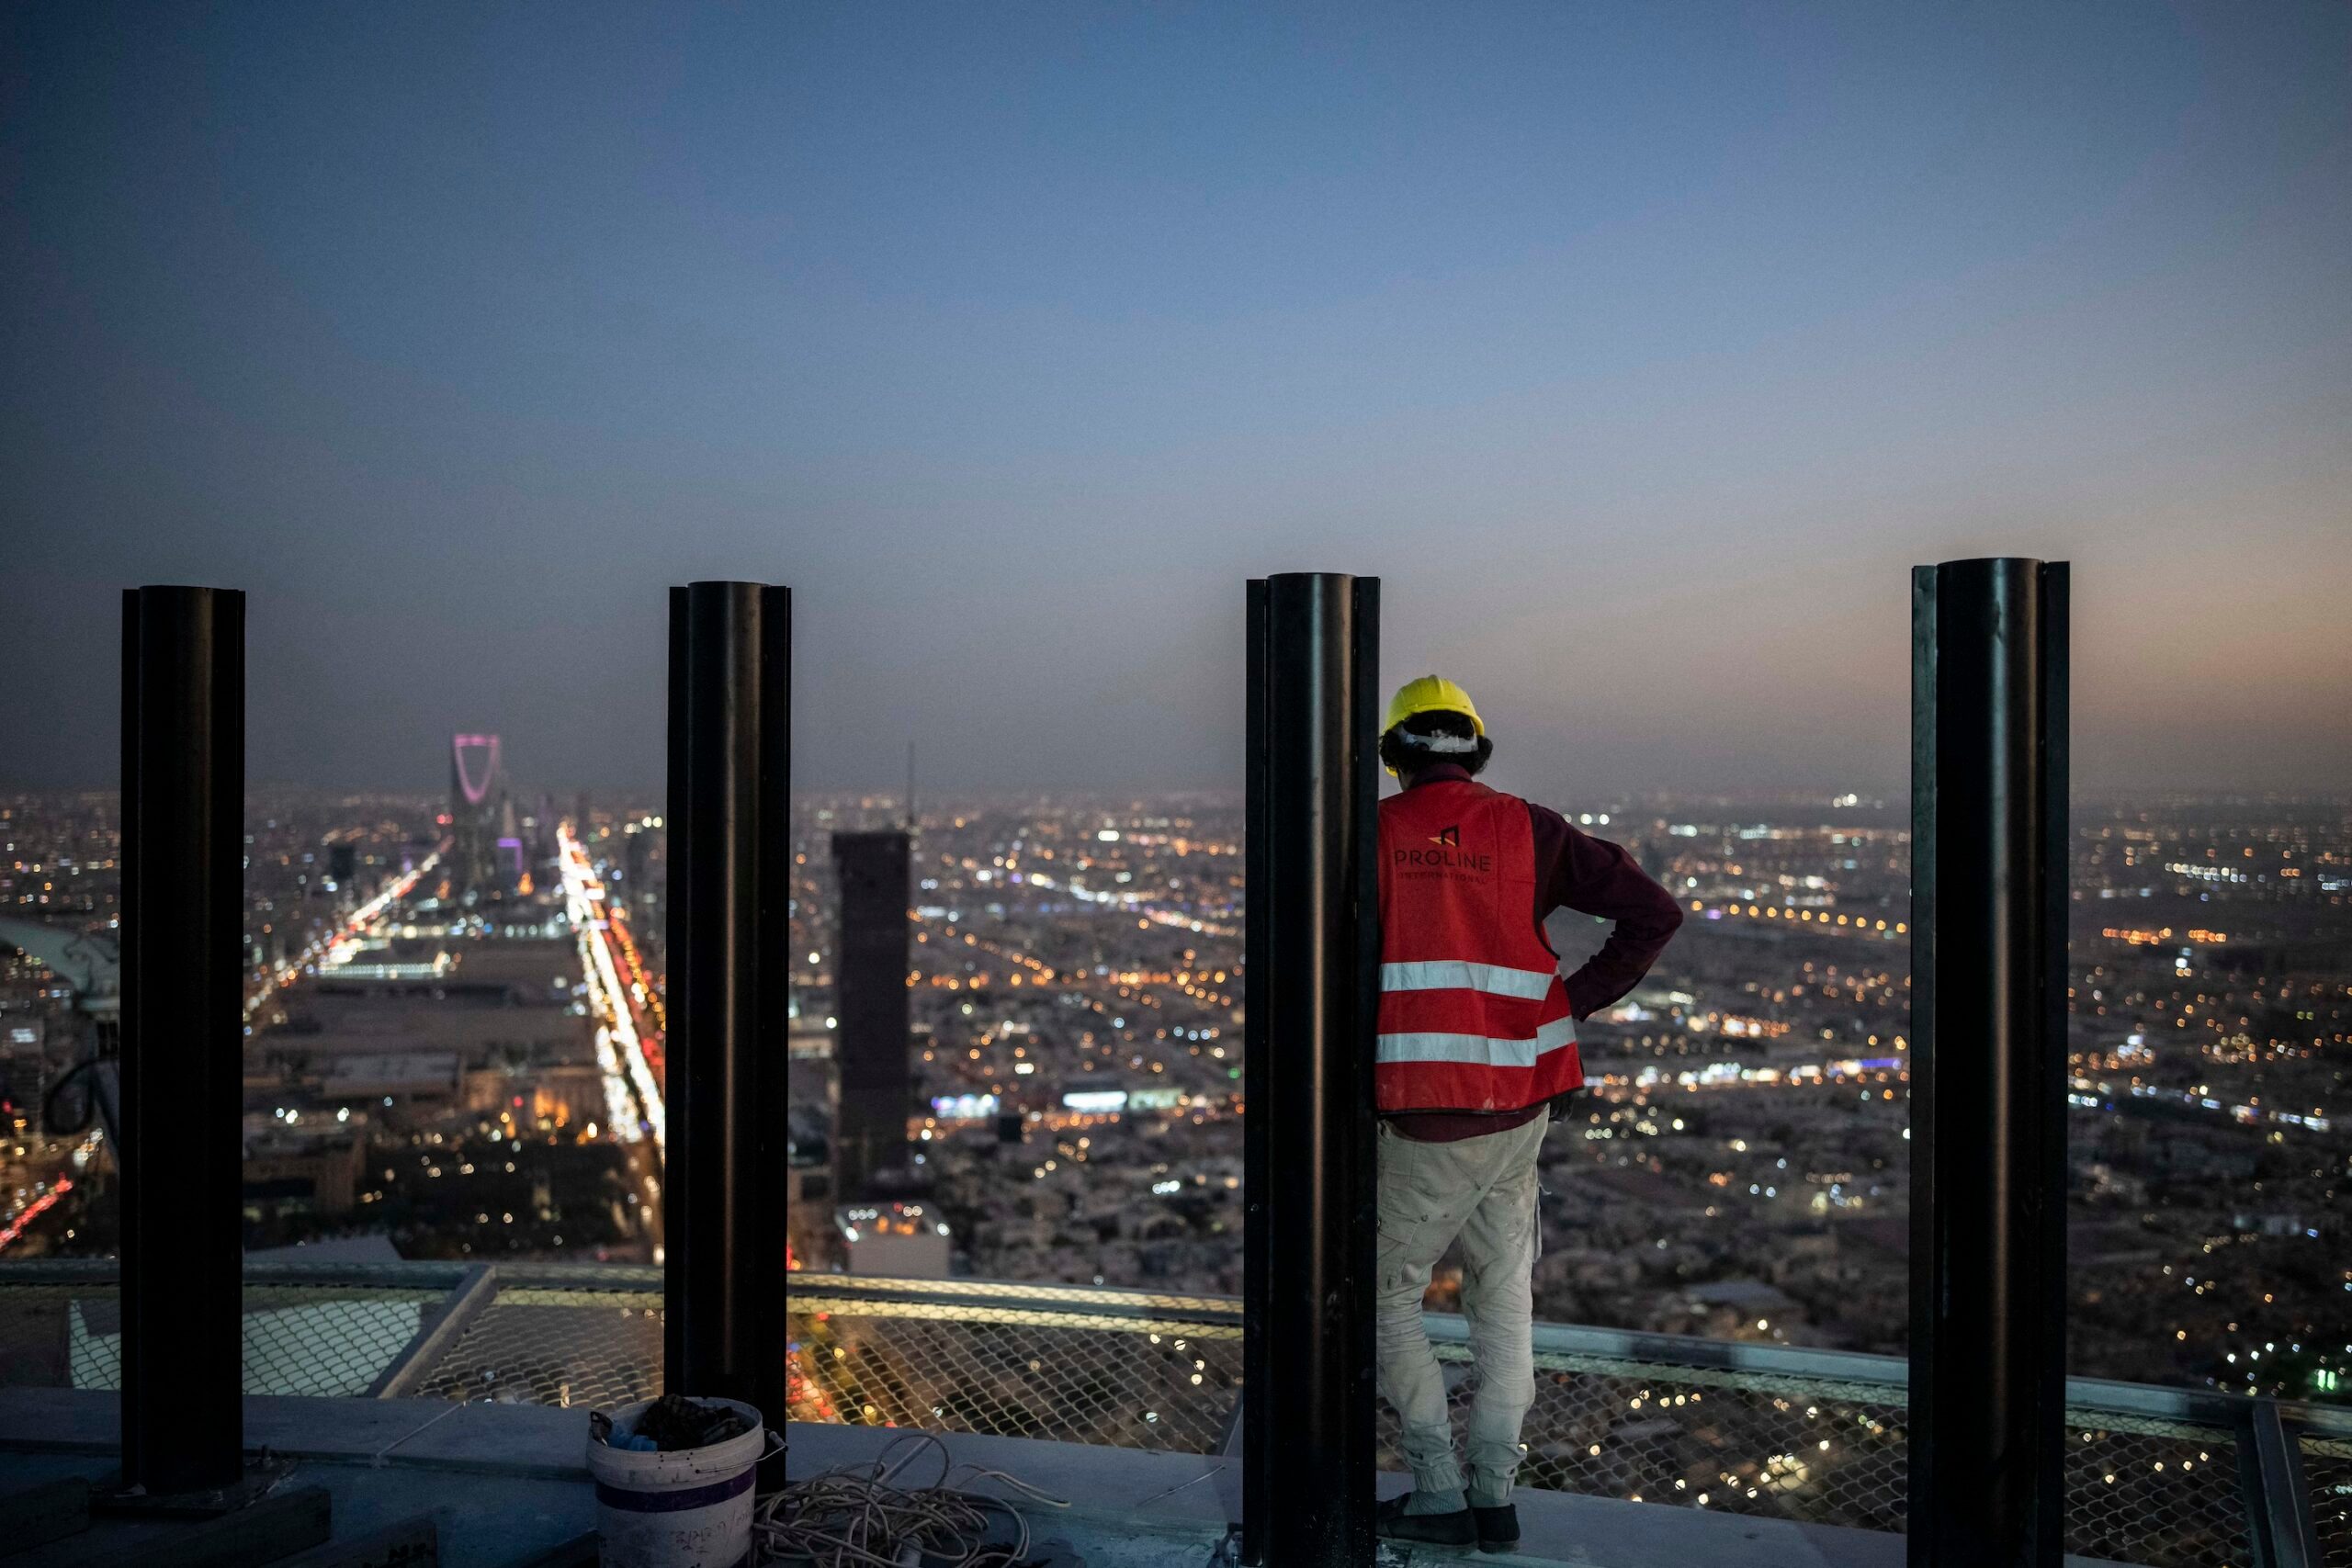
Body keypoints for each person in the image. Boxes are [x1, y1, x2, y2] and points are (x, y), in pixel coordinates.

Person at [1372, 675, 1683, 1551]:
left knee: (1386, 1298)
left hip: (1424, 1108)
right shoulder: (1531, 828)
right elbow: (1653, 912)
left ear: (1396, 757)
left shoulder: (1372, 833)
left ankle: (1436, 1490)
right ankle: (1496, 1498)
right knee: (1503, 1301)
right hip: (1522, 1098)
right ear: (1475, 749)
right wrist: (1569, 1001)